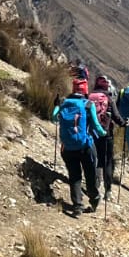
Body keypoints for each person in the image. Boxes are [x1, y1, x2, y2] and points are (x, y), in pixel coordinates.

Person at [53, 77, 104, 216]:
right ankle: (94, 200)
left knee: (74, 176)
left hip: (68, 147)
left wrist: (56, 105)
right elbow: (96, 126)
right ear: (85, 90)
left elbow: (53, 117)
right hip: (85, 146)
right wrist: (104, 133)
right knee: (90, 174)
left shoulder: (63, 102)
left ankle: (77, 206)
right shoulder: (88, 104)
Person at [87, 74, 123, 198]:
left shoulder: (89, 97)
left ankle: (95, 185)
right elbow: (117, 117)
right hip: (107, 134)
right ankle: (108, 190)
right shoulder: (108, 98)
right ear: (107, 86)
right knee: (108, 161)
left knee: (95, 159)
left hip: (92, 133)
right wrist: (124, 123)